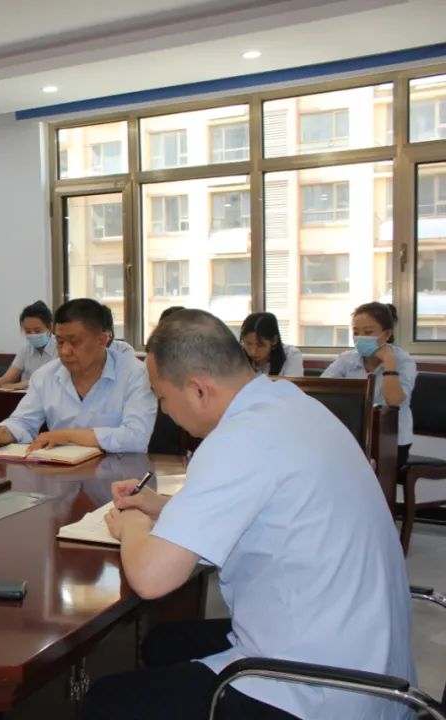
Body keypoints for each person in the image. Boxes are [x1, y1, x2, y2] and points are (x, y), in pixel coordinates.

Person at [82, 309, 414, 720]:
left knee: (104, 702)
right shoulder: (290, 404)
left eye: (162, 396)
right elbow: (265, 507)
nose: (164, 411)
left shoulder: (237, 440)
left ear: (198, 389)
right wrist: (160, 506)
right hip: (368, 658)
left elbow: (151, 578)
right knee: (164, 644)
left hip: (318, 689)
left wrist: (132, 524)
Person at [0, 299, 156, 454]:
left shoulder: (135, 374)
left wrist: (66, 436)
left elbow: (136, 437)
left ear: (102, 340)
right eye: (60, 342)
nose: (64, 351)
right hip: (61, 473)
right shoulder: (46, 375)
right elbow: (23, 421)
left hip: (120, 474)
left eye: (74, 342)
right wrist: (3, 432)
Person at [322, 301, 416, 467]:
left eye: (368, 332)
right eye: (355, 332)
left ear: (387, 334)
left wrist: (389, 360)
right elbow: (322, 390)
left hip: (391, 439)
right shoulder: (346, 359)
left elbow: (394, 401)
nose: (360, 337)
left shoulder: (404, 361)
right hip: (352, 436)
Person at [0, 301, 57, 390]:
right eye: (28, 331)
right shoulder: (25, 349)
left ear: (49, 327)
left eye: (37, 331)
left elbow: (51, 381)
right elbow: (9, 378)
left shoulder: (60, 347)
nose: (32, 335)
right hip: (25, 397)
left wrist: (24, 384)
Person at [239, 312, 303, 377]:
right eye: (248, 344)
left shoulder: (291, 355)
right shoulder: (238, 356)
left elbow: (291, 383)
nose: (253, 351)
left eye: (260, 345)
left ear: (274, 340)